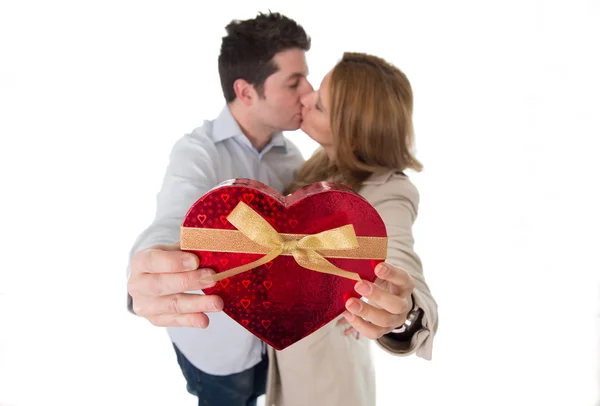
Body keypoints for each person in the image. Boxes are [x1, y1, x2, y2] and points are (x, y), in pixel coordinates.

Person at [126, 12, 421, 406]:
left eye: (311, 86)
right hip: (217, 349)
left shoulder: (295, 161)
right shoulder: (198, 153)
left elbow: (394, 253)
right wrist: (146, 267)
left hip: (281, 352)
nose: (307, 94)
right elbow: (174, 221)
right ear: (247, 93)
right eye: (294, 83)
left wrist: (403, 311)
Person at [263, 52, 439, 406]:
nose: (307, 97)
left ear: (353, 135)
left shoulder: (388, 190)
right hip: (287, 375)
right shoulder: (317, 164)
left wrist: (404, 309)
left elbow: (400, 259)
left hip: (328, 387)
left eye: (321, 106)